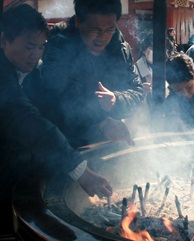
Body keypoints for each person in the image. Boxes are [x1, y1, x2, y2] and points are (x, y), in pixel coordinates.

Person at [0, 4, 115, 234]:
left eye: (41, 46)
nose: (36, 54)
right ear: (3, 41)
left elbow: (56, 108)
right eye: (29, 46)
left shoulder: (31, 71)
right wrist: (80, 170)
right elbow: (26, 120)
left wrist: (100, 123)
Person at [41, 0, 144, 148]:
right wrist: (99, 124)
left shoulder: (120, 48)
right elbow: (54, 105)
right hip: (69, 147)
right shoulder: (59, 50)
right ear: (78, 21)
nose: (102, 38)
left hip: (112, 140)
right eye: (94, 30)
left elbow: (138, 92)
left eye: (109, 29)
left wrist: (117, 100)